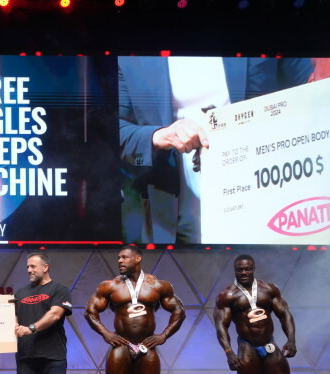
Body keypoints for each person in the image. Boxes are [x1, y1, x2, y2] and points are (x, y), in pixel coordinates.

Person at [118, 56, 312, 243]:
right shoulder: (129, 58)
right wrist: (160, 135)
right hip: (172, 212)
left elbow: (312, 92)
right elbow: (114, 130)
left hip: (263, 199)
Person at [85, 246, 185, 374]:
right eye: (118, 257)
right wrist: (106, 334)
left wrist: (163, 335)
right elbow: (90, 311)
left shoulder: (158, 285)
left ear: (137, 258)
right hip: (121, 346)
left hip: (147, 346)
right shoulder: (110, 286)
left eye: (124, 257)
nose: (119, 261)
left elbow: (179, 311)